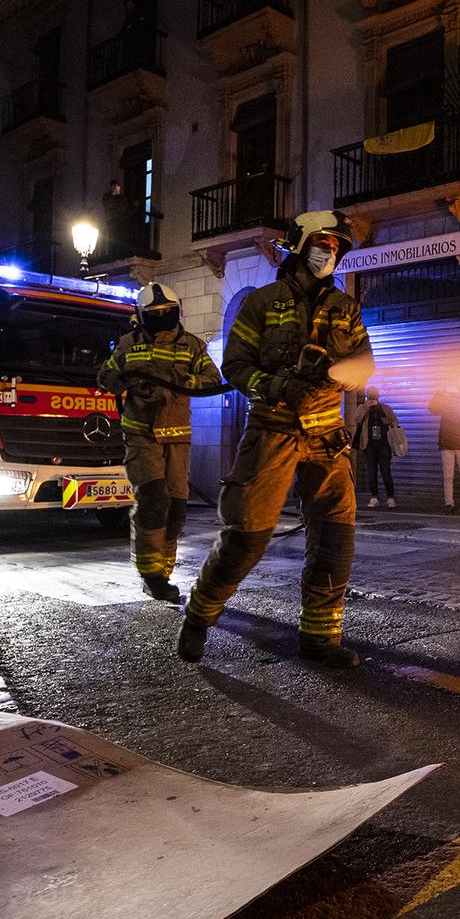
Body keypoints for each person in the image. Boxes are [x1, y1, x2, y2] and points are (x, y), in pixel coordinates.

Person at [179, 211, 375, 668]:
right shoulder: (261, 303)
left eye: (337, 247)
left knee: (335, 537)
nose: (330, 253)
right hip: (272, 431)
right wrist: (281, 385)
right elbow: (237, 366)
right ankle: (199, 615)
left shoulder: (345, 307)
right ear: (299, 245)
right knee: (247, 536)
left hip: (327, 434)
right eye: (323, 243)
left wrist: (332, 373)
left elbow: (364, 364)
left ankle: (320, 639)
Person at [97, 281, 225, 604]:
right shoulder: (128, 344)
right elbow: (105, 376)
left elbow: (212, 380)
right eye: (156, 314)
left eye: (168, 312)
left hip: (177, 438)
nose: (163, 317)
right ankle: (151, 575)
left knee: (177, 509)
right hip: (141, 434)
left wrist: (180, 381)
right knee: (153, 500)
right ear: (142, 317)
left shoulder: (193, 346)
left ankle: (163, 570)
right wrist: (124, 380)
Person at [429, 385, 460, 514]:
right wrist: (438, 395)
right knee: (453, 476)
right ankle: (451, 504)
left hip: (458, 443)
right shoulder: (445, 402)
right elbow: (432, 408)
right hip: (451, 444)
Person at [351, 389, 400, 508]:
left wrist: (388, 421)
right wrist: (365, 409)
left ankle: (390, 497)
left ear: (378, 396)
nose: (372, 398)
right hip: (369, 445)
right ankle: (374, 496)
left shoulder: (385, 408)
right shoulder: (362, 407)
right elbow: (356, 420)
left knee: (385, 471)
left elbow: (395, 422)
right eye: (370, 395)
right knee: (371, 472)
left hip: (384, 444)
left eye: (374, 395)